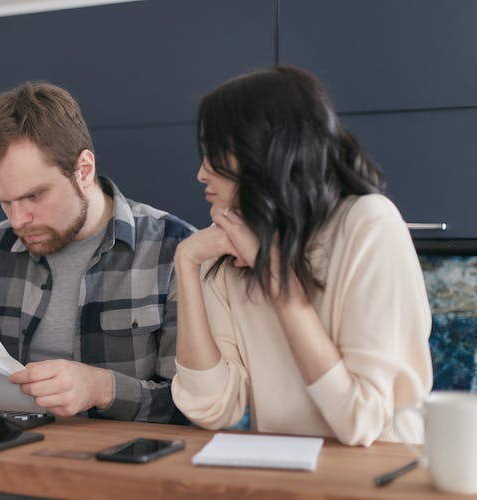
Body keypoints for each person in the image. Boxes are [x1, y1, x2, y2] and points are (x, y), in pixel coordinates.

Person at [0, 81, 193, 423]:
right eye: (4, 202)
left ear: (83, 170)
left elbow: (197, 407)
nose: (17, 220)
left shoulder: (175, 250)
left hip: (121, 470)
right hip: (7, 462)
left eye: (34, 196)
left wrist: (102, 388)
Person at [171, 66, 433, 446]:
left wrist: (276, 279)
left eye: (213, 153)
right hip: (285, 478)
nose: (200, 173)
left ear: (261, 149)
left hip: (380, 475)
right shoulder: (224, 249)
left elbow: (362, 420)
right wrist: (187, 264)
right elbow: (210, 408)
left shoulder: (368, 225)